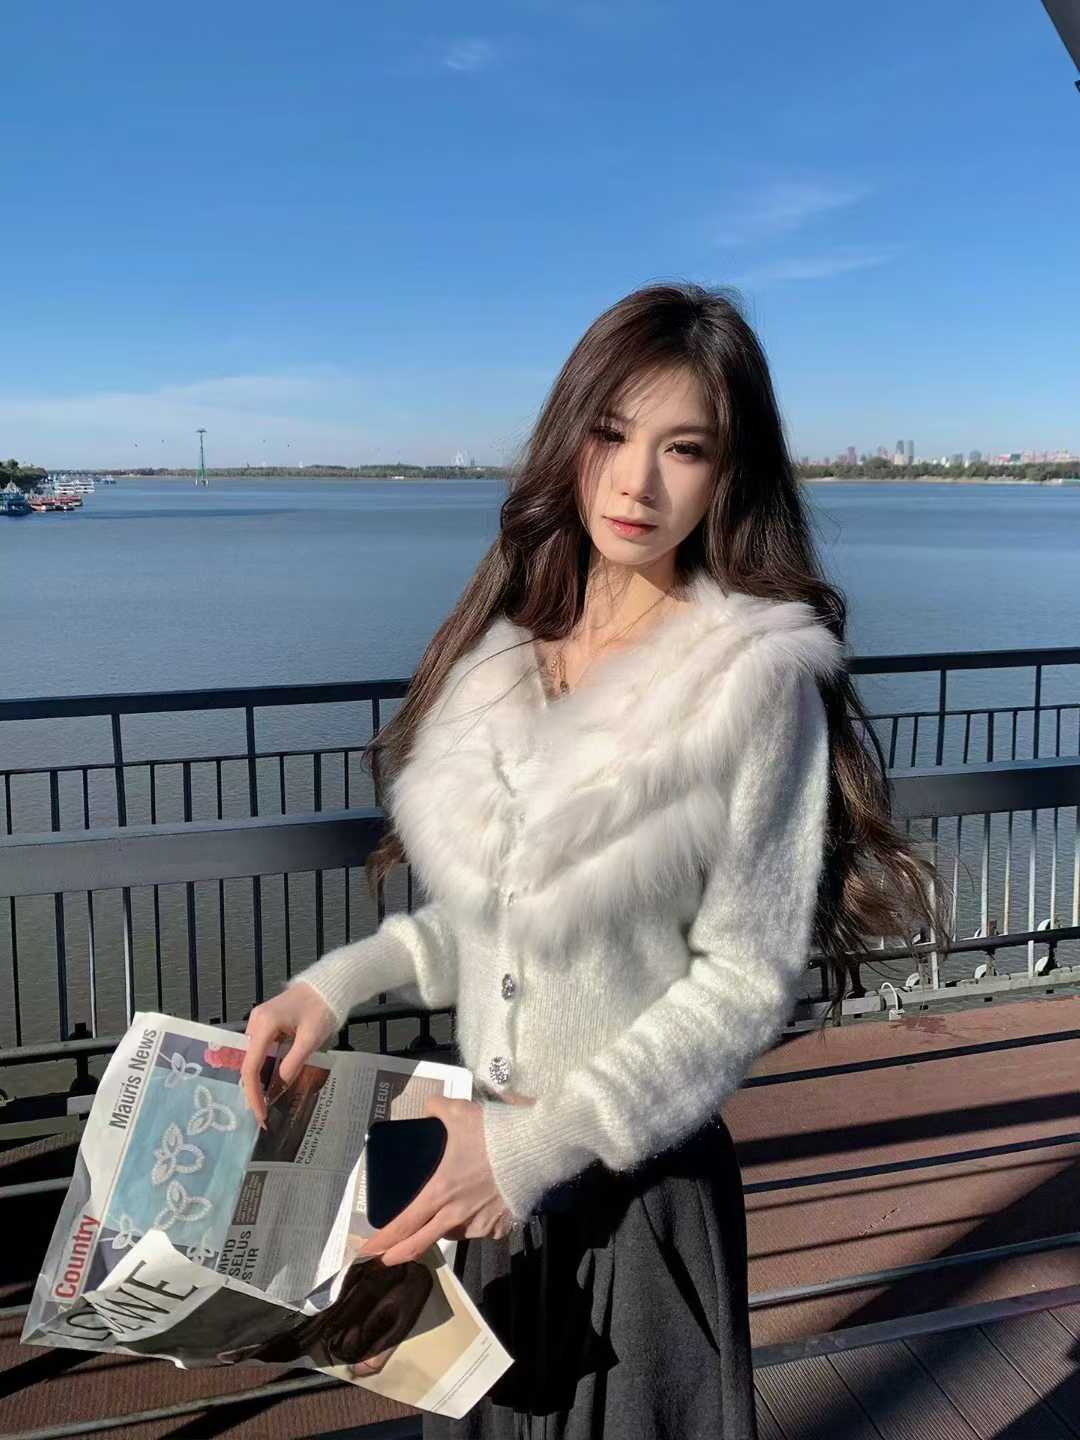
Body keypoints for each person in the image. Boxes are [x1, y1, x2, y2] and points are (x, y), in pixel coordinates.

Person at [241, 282, 947, 1438]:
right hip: (476, 1194)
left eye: (685, 449)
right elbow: (505, 919)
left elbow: (744, 980)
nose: (636, 483)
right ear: (568, 437)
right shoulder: (509, 660)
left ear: (729, 473)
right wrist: (335, 986)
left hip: (630, 1199)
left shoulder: (749, 681)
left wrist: (526, 1152)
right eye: (612, 434)